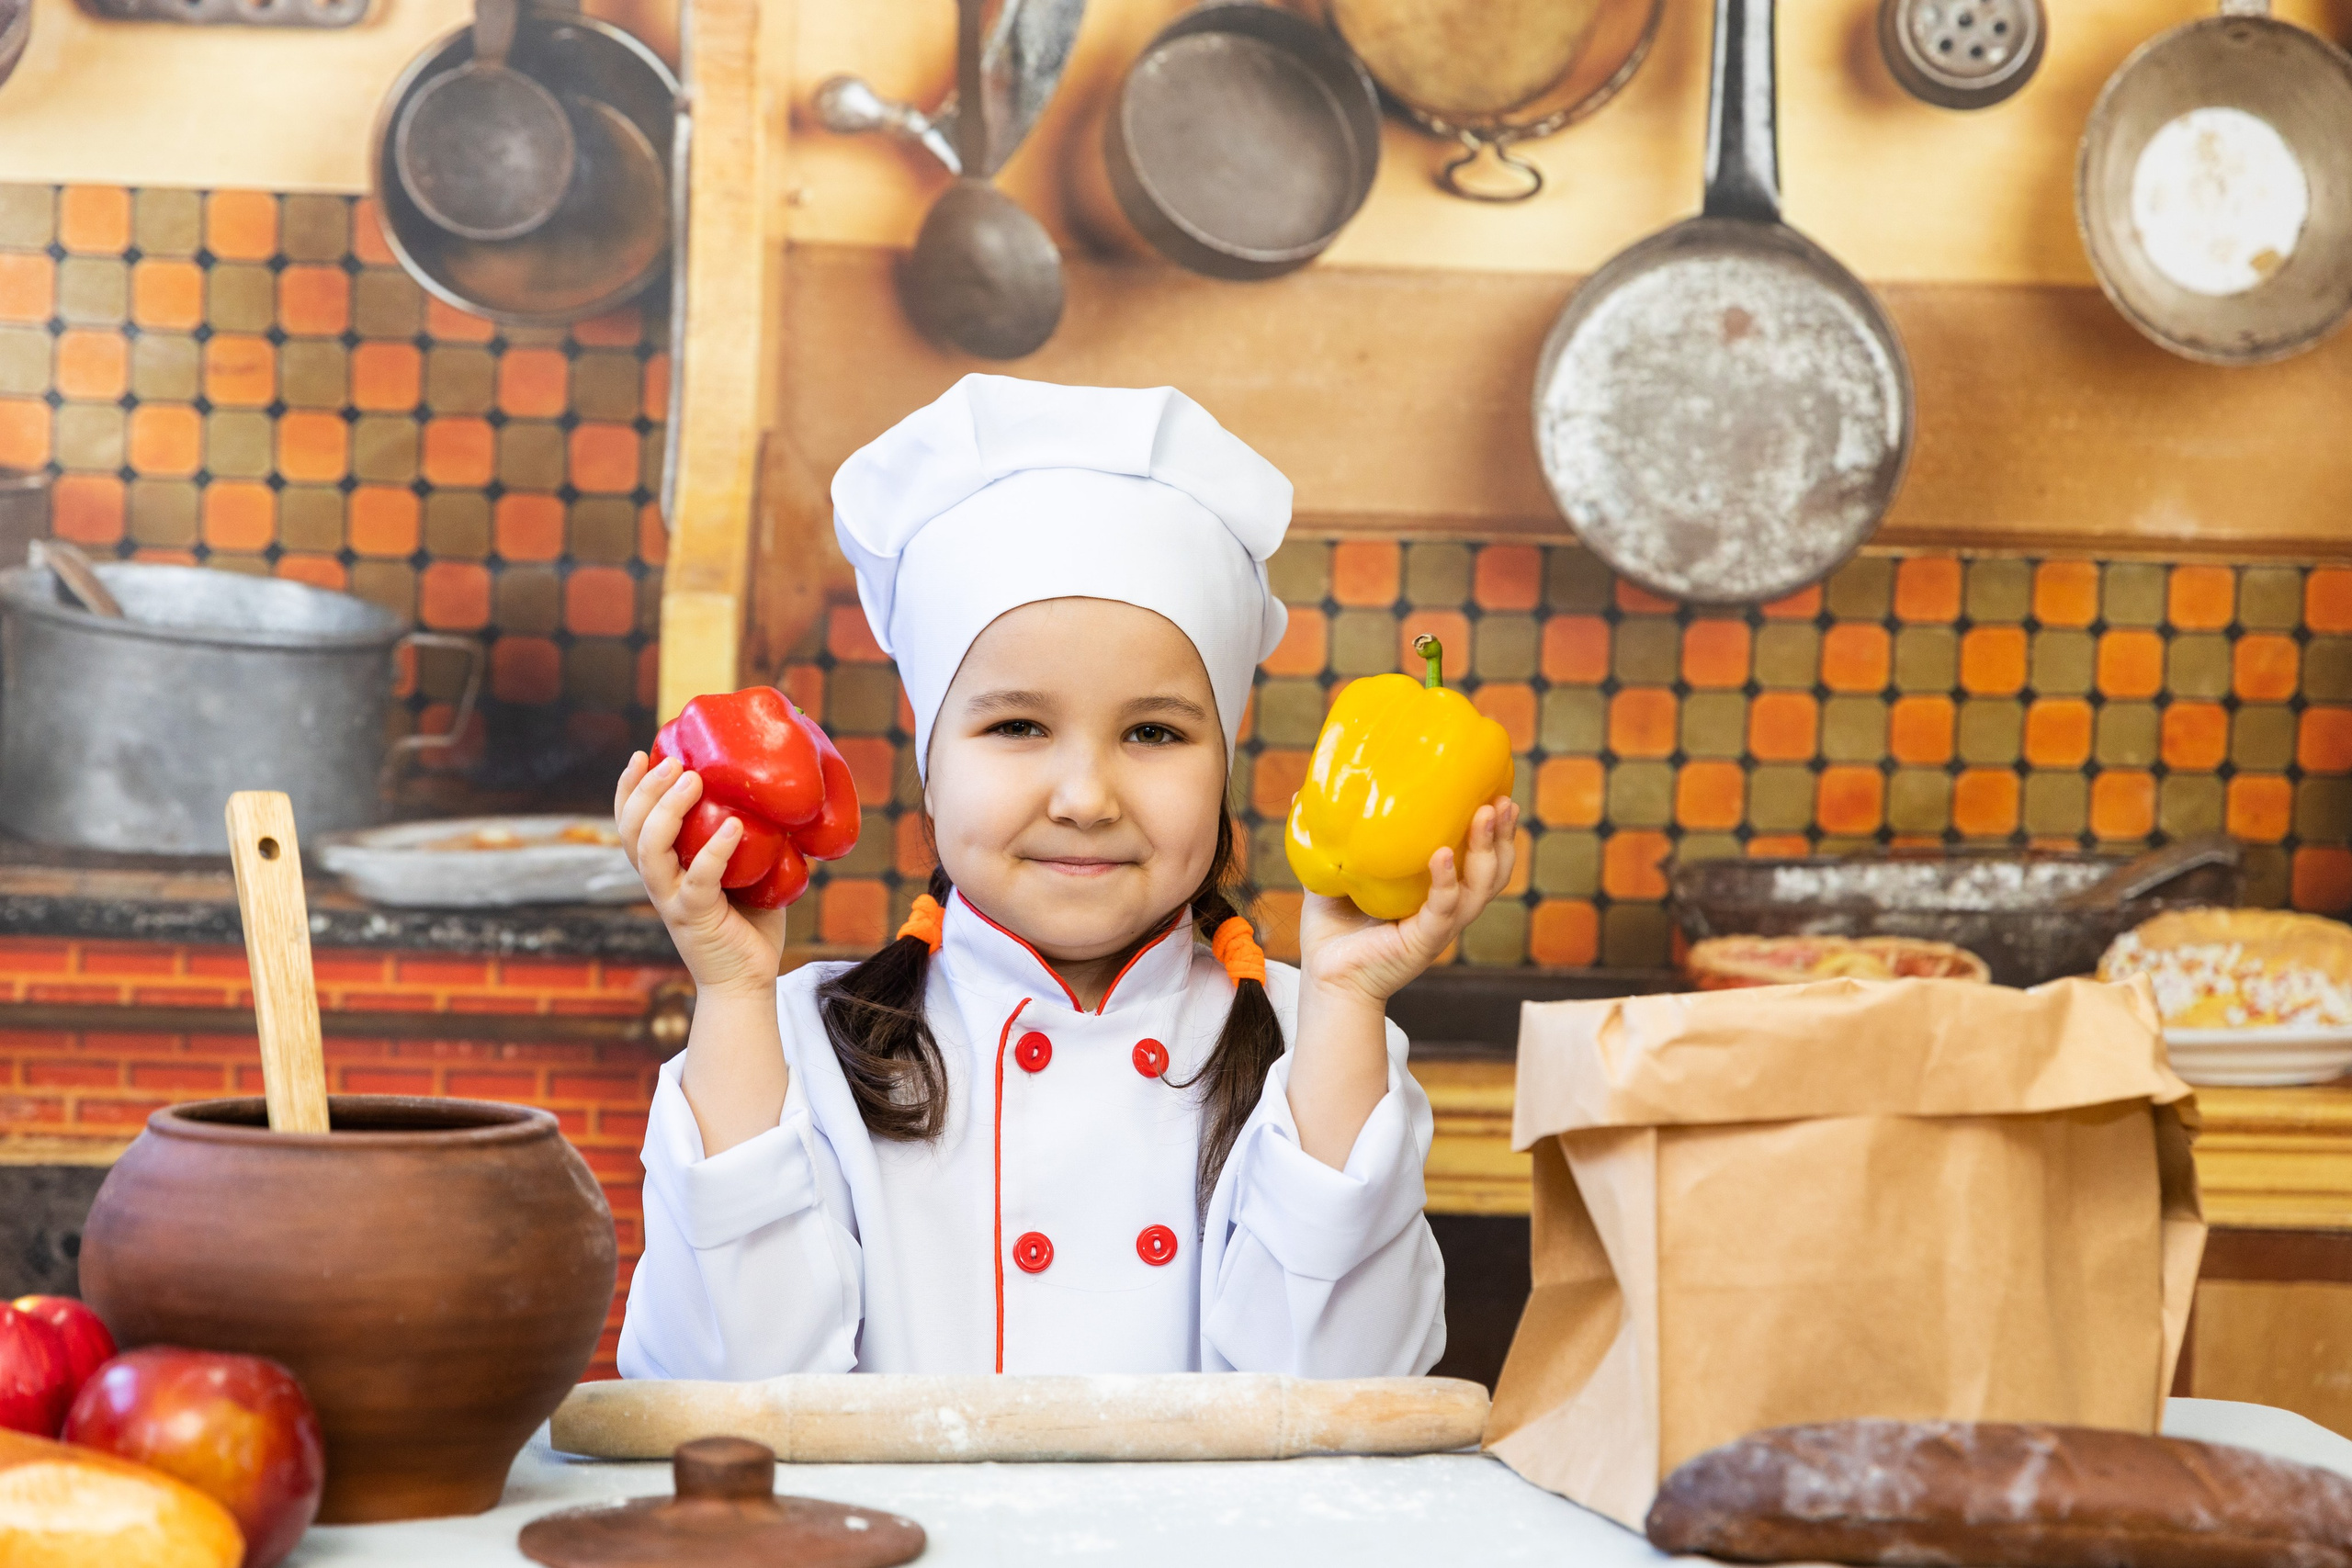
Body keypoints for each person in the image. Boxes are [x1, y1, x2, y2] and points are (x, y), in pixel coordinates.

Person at [614, 374, 1519, 1378]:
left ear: (1224, 765)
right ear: (930, 763)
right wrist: (731, 992)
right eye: (1017, 726)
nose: (1085, 794)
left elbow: (1350, 1402)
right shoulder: (791, 1044)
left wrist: (1348, 998)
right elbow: (719, 1393)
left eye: (1153, 732)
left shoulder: (1324, 1046)